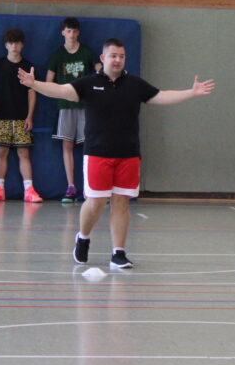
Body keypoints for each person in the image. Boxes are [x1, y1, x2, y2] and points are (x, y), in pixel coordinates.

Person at [18, 38, 215, 269]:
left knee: (121, 203)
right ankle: (83, 237)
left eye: (121, 56)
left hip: (128, 155)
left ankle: (118, 253)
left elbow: (162, 96)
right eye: (113, 55)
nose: (118, 60)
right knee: (96, 203)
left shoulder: (135, 85)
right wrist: (35, 84)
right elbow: (61, 90)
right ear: (103, 58)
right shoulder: (89, 83)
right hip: (97, 153)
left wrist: (191, 93)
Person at [0, 28, 42, 203]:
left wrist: (30, 116)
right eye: (11, 43)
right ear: (6, 45)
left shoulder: (28, 66)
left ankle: (29, 190)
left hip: (22, 117)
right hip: (1, 117)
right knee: (1, 152)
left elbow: (32, 92)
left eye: (17, 43)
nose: (14, 46)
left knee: (24, 153)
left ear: (22, 45)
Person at [45, 17, 101, 203]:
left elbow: (100, 70)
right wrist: (60, 91)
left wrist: (98, 77)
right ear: (63, 32)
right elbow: (48, 82)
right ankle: (70, 187)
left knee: (88, 147)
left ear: (79, 33)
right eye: (68, 31)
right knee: (67, 146)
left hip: (84, 106)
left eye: (75, 31)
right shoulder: (57, 55)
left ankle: (89, 187)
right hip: (65, 106)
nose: (72, 34)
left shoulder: (86, 52)